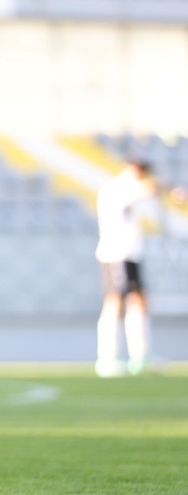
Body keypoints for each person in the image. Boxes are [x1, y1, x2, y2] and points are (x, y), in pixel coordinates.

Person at [94, 159, 166, 377]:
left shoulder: (129, 191)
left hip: (131, 255)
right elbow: (149, 189)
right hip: (116, 254)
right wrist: (171, 190)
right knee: (115, 302)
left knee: (139, 302)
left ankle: (140, 355)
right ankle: (108, 358)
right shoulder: (115, 189)